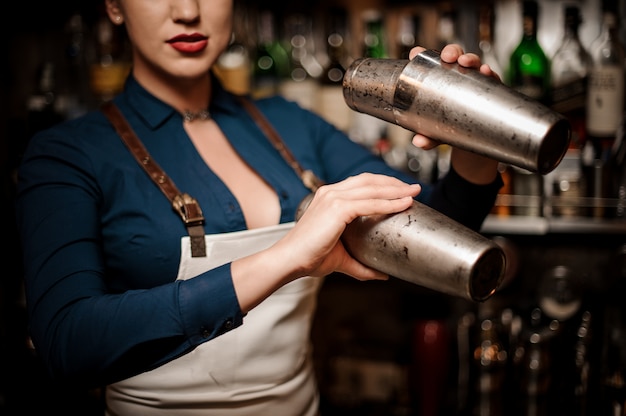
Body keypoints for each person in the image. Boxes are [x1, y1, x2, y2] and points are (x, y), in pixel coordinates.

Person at [15, 0, 503, 414]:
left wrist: (473, 138)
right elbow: (65, 343)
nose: (188, 11)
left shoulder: (292, 125)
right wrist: (287, 257)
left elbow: (440, 234)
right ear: (115, 6)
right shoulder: (69, 153)